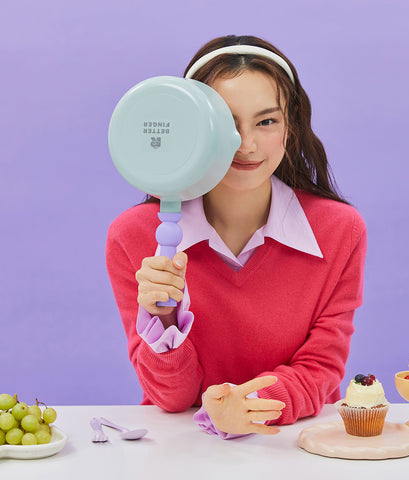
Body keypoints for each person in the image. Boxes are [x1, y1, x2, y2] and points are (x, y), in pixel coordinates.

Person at [106, 34, 367, 438]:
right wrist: (164, 319)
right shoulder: (134, 235)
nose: (246, 145)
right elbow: (171, 399)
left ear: (290, 126)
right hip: (181, 452)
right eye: (225, 124)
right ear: (192, 129)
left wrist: (242, 411)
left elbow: (321, 369)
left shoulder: (339, 231)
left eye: (267, 121)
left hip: (294, 448)